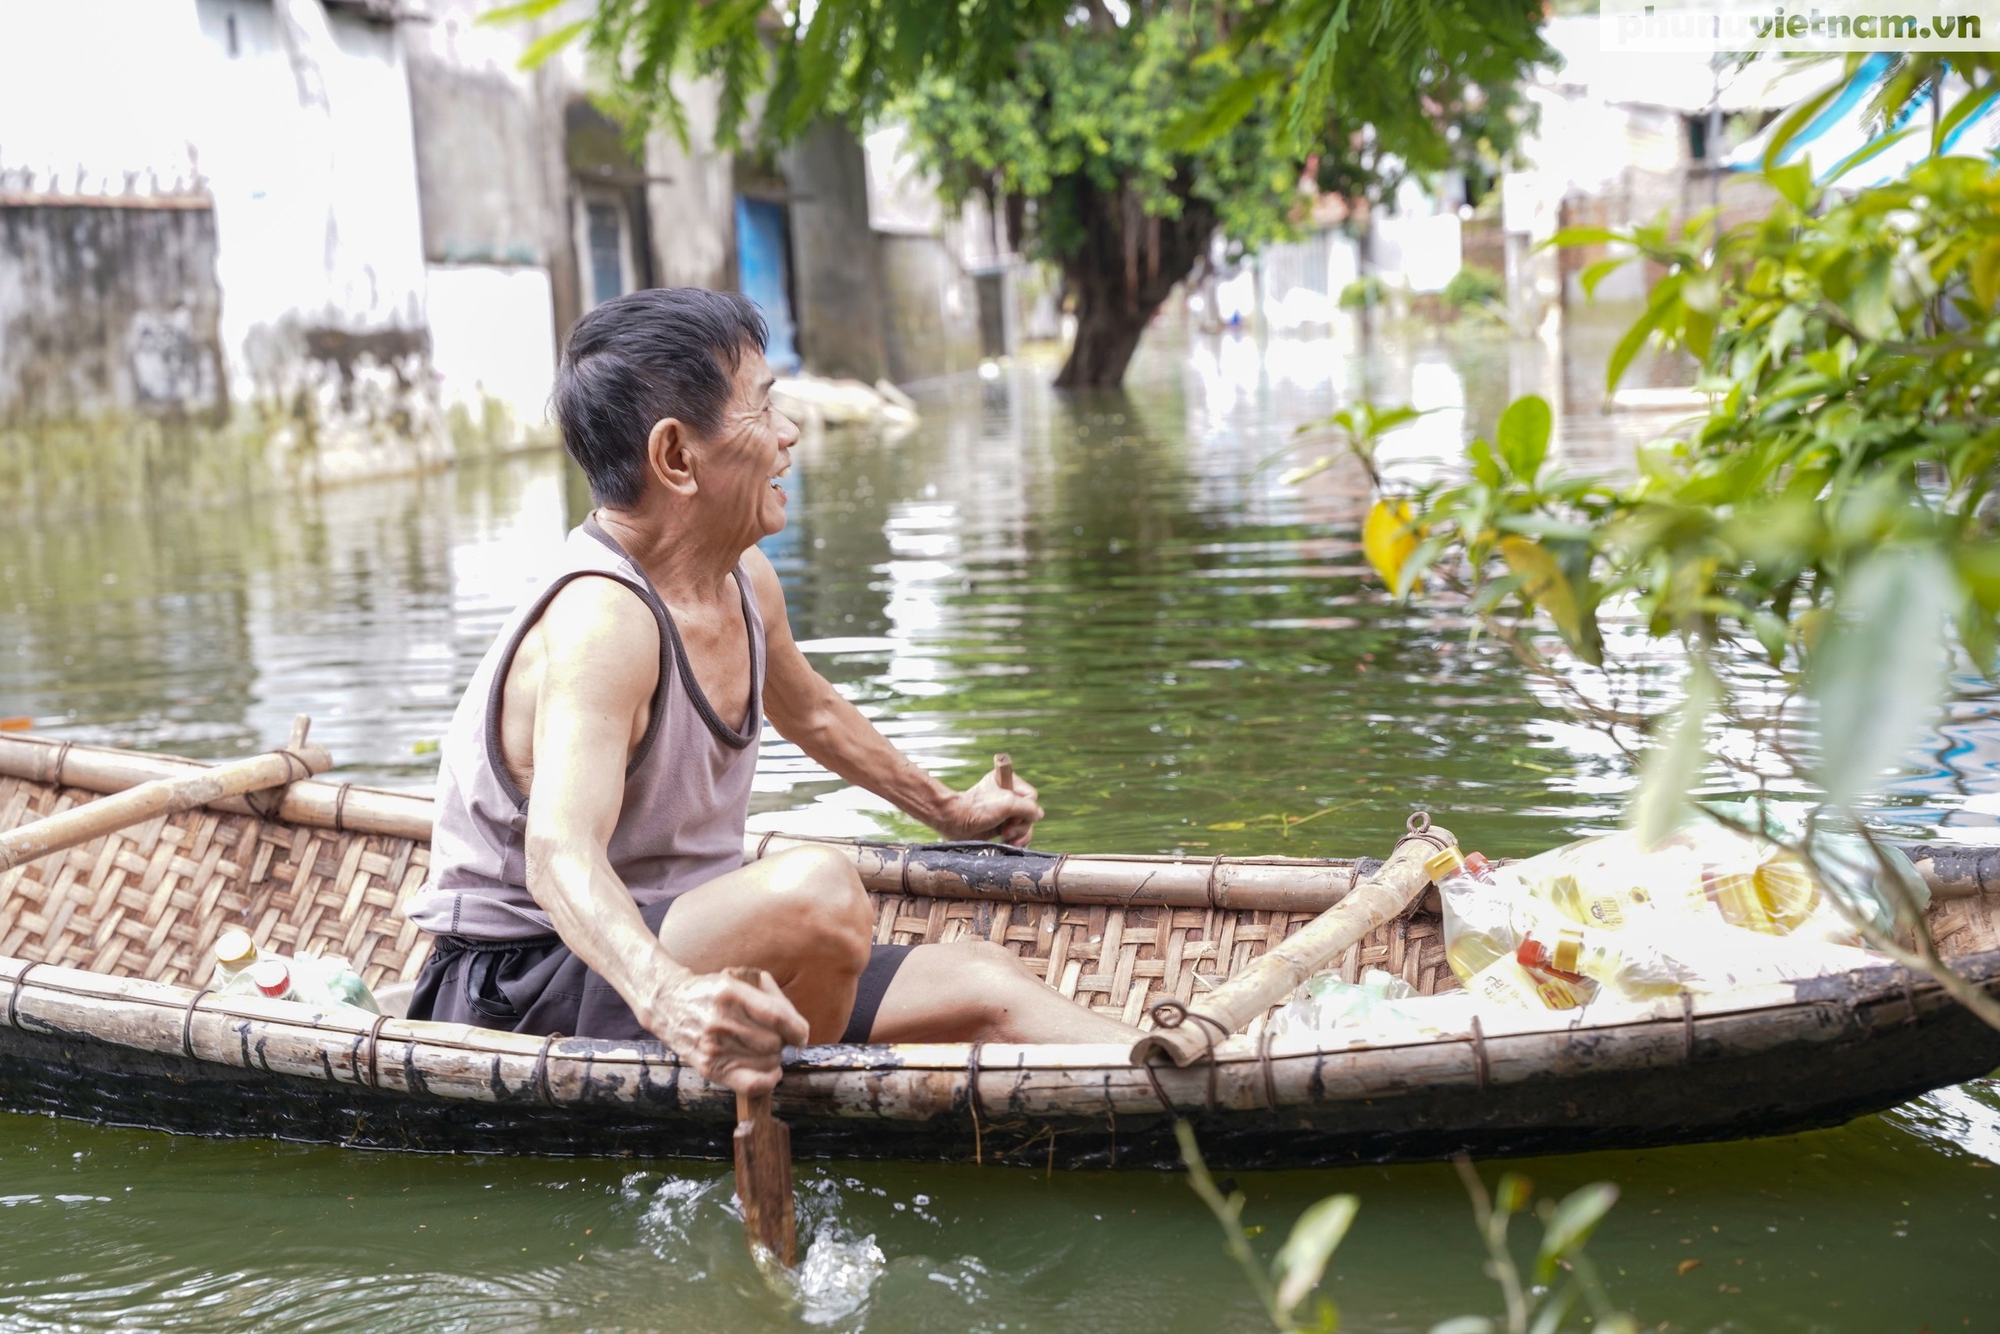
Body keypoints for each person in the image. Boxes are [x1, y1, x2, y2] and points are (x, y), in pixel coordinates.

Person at [404, 287, 1137, 1094]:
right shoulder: (602, 618)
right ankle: (787, 1096)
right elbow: (556, 853)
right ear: (676, 457)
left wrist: (950, 812)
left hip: (679, 942)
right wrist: (669, 998)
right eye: (764, 407)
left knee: (987, 981)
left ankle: (1198, 1068)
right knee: (818, 893)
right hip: (529, 981)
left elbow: (813, 710)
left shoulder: (743, 578)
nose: (790, 435)